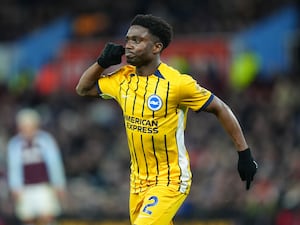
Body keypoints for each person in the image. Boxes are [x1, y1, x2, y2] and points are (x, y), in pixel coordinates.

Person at [76, 14, 258, 225]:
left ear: (156, 47)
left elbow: (220, 108)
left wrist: (244, 154)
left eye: (137, 40)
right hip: (138, 182)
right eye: (128, 39)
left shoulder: (177, 84)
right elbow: (83, 89)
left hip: (170, 179)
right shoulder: (121, 78)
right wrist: (101, 63)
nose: (128, 45)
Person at [7, 108, 66, 225]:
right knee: (27, 217)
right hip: (25, 188)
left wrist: (58, 184)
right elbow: (13, 168)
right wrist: (15, 188)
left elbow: (55, 164)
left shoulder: (46, 140)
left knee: (47, 216)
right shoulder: (15, 144)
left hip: (44, 186)